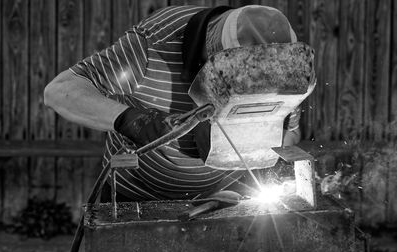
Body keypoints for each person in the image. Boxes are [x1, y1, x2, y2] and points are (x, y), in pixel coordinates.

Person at [44, 5, 301, 202]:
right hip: (138, 198)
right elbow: (59, 91)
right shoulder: (153, 45)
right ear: (213, 52)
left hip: (229, 197)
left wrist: (277, 144)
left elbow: (290, 135)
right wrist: (132, 120)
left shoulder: (283, 67)